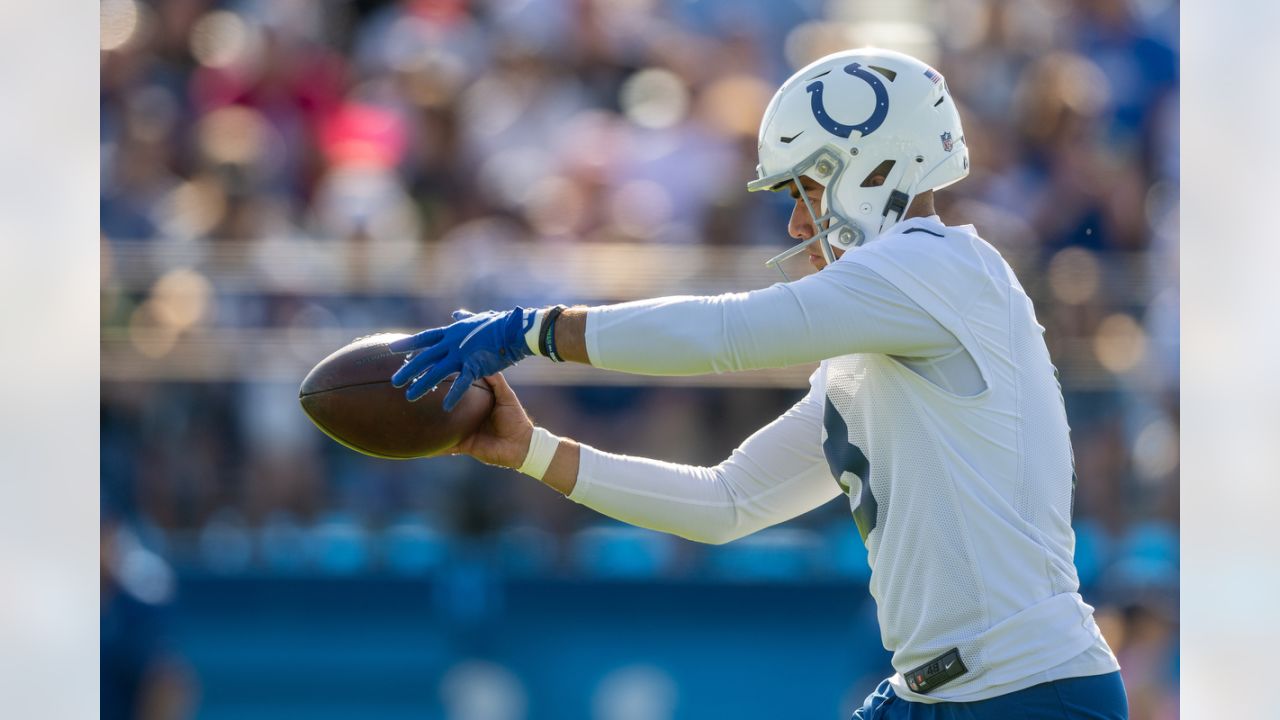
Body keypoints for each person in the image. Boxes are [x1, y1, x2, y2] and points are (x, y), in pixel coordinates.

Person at [389, 48, 1128, 719]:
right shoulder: (881, 336)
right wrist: (531, 452)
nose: (795, 222)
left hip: (1030, 695)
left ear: (872, 169)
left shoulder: (936, 268)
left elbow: (726, 334)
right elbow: (727, 503)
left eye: (806, 190)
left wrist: (534, 330)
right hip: (945, 695)